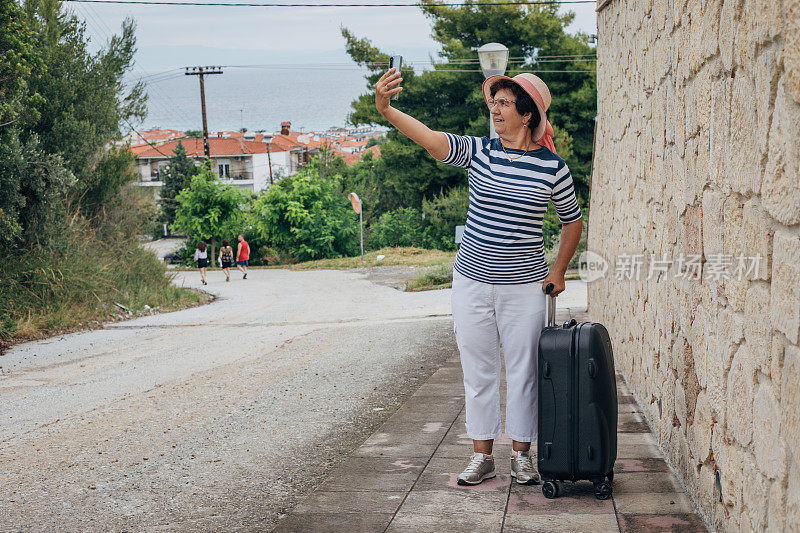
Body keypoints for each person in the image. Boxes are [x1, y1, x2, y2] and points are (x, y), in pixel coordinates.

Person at [374, 69, 583, 486]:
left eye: (505, 103)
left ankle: (522, 455)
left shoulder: (552, 168)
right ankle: (482, 455)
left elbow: (572, 221)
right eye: (495, 101)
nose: (495, 108)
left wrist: (558, 271)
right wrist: (387, 109)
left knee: (524, 373)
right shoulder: (479, 152)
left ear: (527, 115)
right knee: (478, 370)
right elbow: (431, 139)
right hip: (471, 281)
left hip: (524, 287)